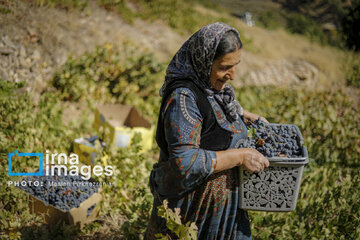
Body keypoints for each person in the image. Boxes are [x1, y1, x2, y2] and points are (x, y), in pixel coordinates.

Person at [145, 22, 270, 240]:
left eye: (235, 65)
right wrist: (240, 156)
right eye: (224, 67)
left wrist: (245, 116)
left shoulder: (214, 89)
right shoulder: (183, 98)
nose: (232, 75)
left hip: (220, 209)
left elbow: (211, 117)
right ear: (203, 61)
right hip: (191, 209)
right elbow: (185, 162)